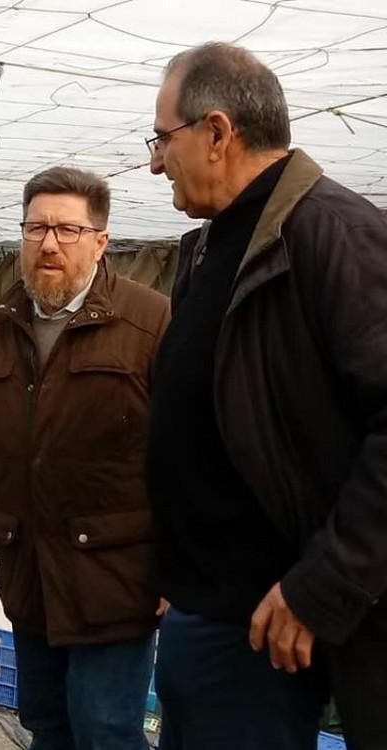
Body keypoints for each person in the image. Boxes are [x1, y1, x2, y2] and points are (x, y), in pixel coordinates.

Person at [146, 41, 387, 749]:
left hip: (277, 622)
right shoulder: (215, 243)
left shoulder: (334, 235)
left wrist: (322, 586)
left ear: (218, 133)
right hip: (209, 607)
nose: (155, 160)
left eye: (163, 139)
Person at [0, 166, 170, 750]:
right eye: (36, 228)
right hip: (29, 567)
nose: (49, 244)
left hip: (116, 574)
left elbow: (189, 454)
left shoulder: (149, 322)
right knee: (46, 722)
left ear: (100, 241)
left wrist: (178, 564)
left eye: (67, 229)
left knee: (106, 727)